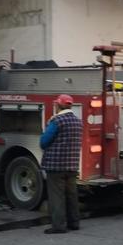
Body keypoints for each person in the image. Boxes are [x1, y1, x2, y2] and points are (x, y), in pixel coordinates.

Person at [40, 94, 83, 234]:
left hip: (55, 165)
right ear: (70, 105)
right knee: (71, 194)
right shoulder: (78, 121)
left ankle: (59, 226)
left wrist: (48, 125)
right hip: (72, 165)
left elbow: (44, 142)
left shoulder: (56, 121)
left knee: (57, 196)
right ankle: (74, 223)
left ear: (58, 105)